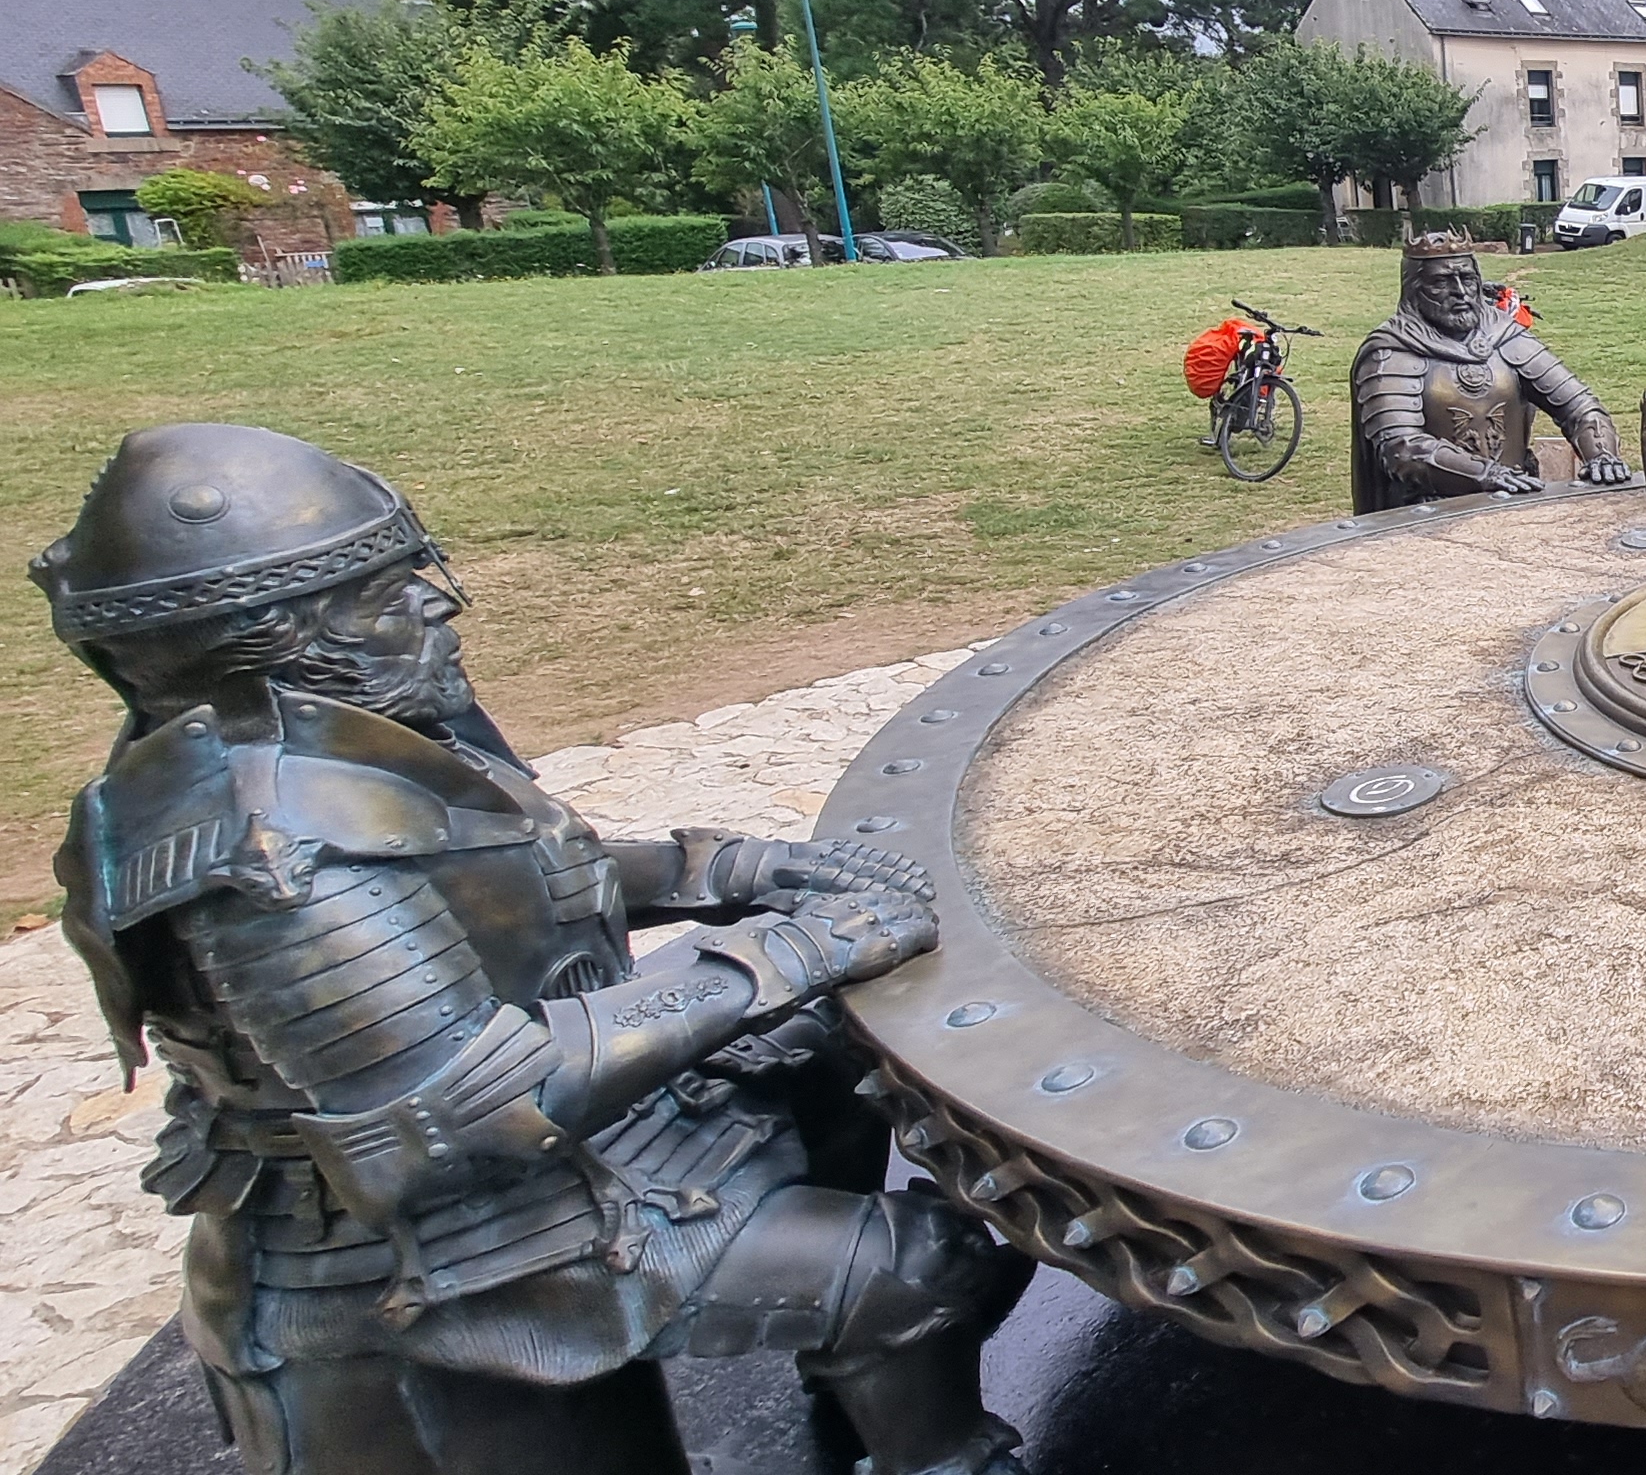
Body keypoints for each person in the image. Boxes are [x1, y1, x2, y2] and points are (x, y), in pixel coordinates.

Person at [28, 424, 1030, 1475]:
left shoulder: (327, 749)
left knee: (828, 1049)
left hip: (535, 1155)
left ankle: (848, 1373)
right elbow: (451, 1114)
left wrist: (726, 869)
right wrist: (778, 956)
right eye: (384, 595)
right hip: (445, 1246)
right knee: (918, 1264)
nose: (437, 605)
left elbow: (512, 877)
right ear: (266, 644)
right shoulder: (277, 858)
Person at [1348, 232, 1632, 512]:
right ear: (1414, 288)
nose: (1460, 292)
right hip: (1429, 513)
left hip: (1517, 502)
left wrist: (1602, 455)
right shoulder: (1390, 353)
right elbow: (1404, 448)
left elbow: (1580, 407)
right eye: (1441, 282)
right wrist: (1486, 474)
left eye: (1467, 279)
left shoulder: (1505, 335)